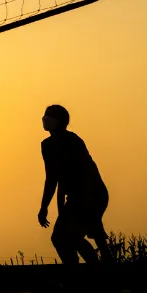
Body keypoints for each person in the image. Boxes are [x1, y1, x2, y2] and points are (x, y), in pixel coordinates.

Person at [37, 104, 110, 267]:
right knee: (58, 238)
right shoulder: (46, 146)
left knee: (73, 236)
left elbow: (87, 173)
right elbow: (52, 178)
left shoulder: (73, 141)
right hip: (75, 197)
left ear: (60, 121)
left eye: (50, 116)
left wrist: (87, 211)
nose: (45, 119)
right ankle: (75, 271)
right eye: (44, 115)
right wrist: (45, 207)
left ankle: (99, 271)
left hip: (92, 194)